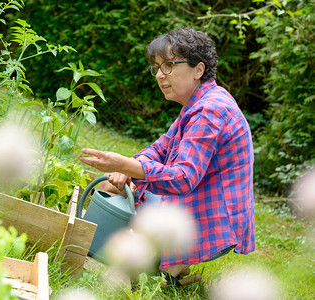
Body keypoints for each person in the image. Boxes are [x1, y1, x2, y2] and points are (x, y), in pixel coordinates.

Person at [79, 28, 255, 287]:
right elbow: (161, 147)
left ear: (198, 70)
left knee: (119, 194)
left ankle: (168, 267)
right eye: (157, 67)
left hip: (211, 220)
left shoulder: (210, 110)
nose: (160, 75)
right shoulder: (198, 103)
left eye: (169, 65)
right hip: (197, 206)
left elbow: (183, 178)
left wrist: (128, 166)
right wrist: (129, 167)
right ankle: (166, 266)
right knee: (112, 183)